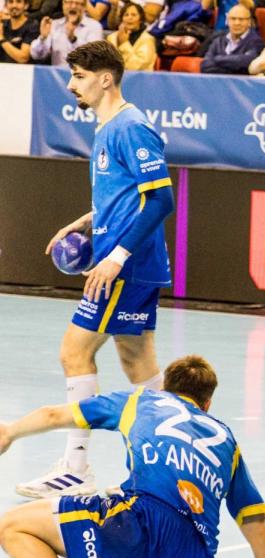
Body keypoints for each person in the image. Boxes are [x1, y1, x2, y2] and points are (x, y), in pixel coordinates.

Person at [16, 40, 175, 500]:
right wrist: (86, 220)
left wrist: (115, 256)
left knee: (74, 352)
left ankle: (75, 466)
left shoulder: (129, 126)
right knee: (137, 362)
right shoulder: (108, 127)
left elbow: (161, 198)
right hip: (132, 263)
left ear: (106, 78)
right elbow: (126, 194)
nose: (72, 86)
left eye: (80, 77)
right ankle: (170, 445)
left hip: (126, 266)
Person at [0, 355, 265, 558]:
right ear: (207, 404)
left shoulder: (140, 401)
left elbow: (51, 415)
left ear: (165, 388)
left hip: (139, 528)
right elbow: (263, 540)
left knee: (12, 526)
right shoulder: (227, 443)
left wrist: (10, 432)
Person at [29, 0, 103, 67]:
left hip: (84, 78)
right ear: (63, 5)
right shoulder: (55, 25)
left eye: (78, 3)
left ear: (84, 7)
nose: (73, 6)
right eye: (70, 2)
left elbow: (94, 59)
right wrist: (43, 38)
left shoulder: (94, 26)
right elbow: (37, 56)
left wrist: (73, 40)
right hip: (57, 77)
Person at [200, 4, 265, 74]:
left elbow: (246, 62)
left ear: (249, 22)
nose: (237, 23)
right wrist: (232, 67)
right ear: (227, 21)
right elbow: (205, 65)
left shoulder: (256, 42)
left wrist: (217, 59)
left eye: (241, 19)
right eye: (233, 19)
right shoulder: (218, 40)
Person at [106, 2, 156, 70]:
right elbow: (107, 63)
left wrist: (124, 44)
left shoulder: (147, 39)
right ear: (122, 19)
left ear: (140, 19)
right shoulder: (111, 37)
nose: (129, 17)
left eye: (134, 15)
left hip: (140, 78)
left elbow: (137, 67)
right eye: (126, 15)